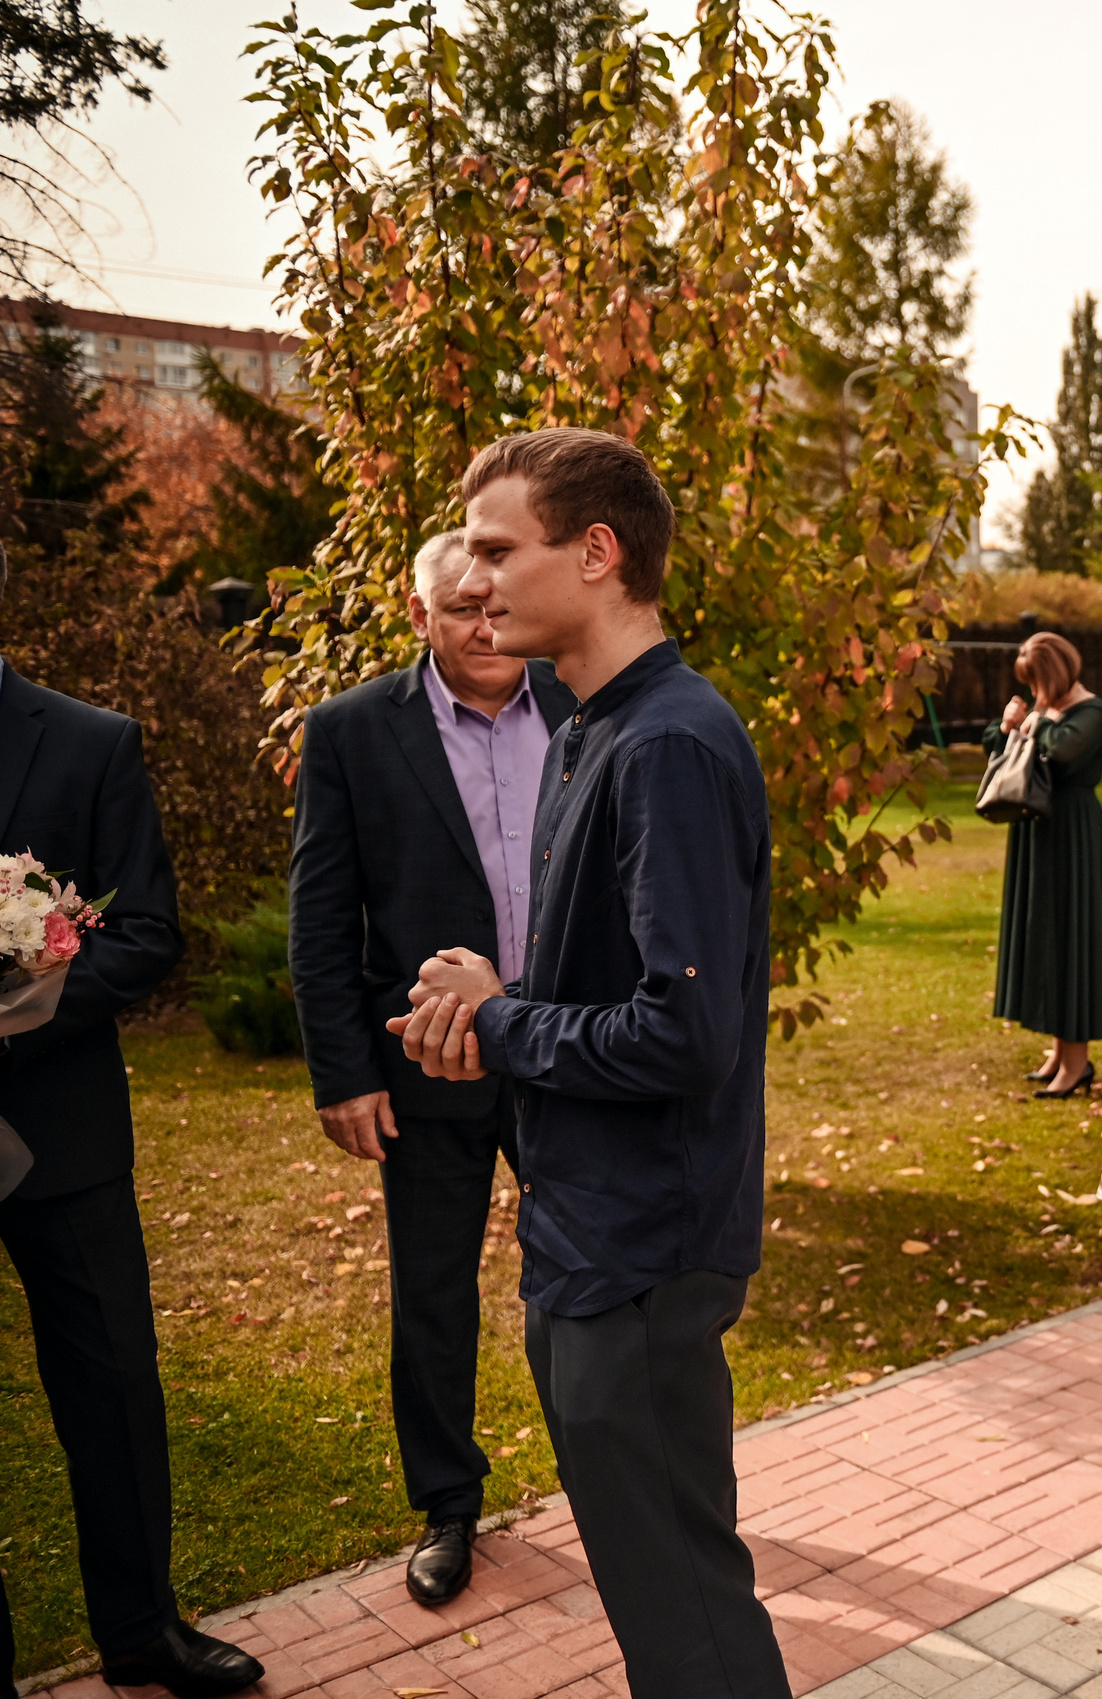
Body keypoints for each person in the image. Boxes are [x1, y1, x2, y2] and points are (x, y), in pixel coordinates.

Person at [390, 428, 789, 1699]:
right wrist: (489, 1012)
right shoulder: (591, 724)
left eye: (500, 548)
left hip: (644, 1252)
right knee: (661, 1600)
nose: (474, 575)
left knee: (685, 1614)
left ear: (598, 553)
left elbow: (683, 1032)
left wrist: (501, 1021)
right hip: (588, 1234)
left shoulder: (665, 742)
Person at [287, 529, 576, 1605]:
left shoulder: (584, 705)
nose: (484, 624)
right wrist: (342, 1073)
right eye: (459, 608)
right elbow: (320, 922)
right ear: (420, 616)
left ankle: (612, 1481)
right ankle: (449, 1505)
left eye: (496, 602)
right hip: (430, 1066)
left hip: (568, 1052)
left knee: (597, 1276)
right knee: (435, 1294)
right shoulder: (353, 731)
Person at [0, 651, 263, 1692]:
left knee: (111, 1386)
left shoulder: (92, 739)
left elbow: (148, 933)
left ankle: (142, 1626)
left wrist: (18, 1010)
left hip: (62, 1132)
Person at [986, 630, 1102, 1097]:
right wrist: (1010, 723)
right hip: (1036, 833)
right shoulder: (1044, 711)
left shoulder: (1094, 712)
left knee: (1073, 939)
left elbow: (1065, 751)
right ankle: (1058, 1053)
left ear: (1056, 673)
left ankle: (1077, 1063)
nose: (1034, 692)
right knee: (1047, 939)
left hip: (1073, 835)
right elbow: (996, 743)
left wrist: (1032, 722)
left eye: (1038, 681)